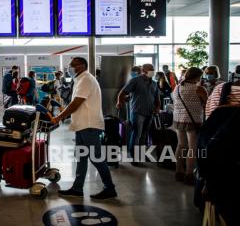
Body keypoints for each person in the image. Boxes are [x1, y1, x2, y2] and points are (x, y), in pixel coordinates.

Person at [53, 57, 117, 199]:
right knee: (81, 157)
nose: (69, 68)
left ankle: (109, 188)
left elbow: (75, 103)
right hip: (82, 125)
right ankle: (77, 188)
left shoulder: (86, 79)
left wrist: (58, 117)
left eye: (72, 65)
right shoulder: (80, 79)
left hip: (89, 126)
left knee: (96, 158)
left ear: (81, 66)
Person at [117, 64, 160, 165]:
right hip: (138, 111)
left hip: (150, 112)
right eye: (150, 70)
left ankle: (141, 154)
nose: (152, 71)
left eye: (153, 70)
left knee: (144, 135)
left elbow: (157, 98)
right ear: (143, 70)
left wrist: (157, 107)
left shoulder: (154, 83)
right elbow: (123, 92)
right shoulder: (135, 81)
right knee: (137, 134)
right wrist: (119, 101)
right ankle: (134, 157)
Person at [172, 67, 207, 185]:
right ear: (197, 77)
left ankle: (178, 171)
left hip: (178, 119)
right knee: (192, 148)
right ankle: (189, 174)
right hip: (193, 121)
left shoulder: (177, 87)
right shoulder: (199, 89)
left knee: (181, 145)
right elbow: (207, 103)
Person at [206, 39, 240, 117]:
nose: (208, 75)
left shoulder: (221, 90)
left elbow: (212, 124)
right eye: (207, 73)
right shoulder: (207, 85)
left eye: (211, 73)